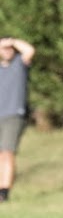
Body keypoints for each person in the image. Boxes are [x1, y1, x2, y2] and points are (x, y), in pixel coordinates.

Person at [0, 35, 36, 202]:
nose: (7, 51)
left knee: (7, 152)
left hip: (13, 114)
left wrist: (12, 41)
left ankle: (4, 191)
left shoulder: (19, 64)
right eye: (4, 48)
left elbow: (29, 50)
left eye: (10, 49)